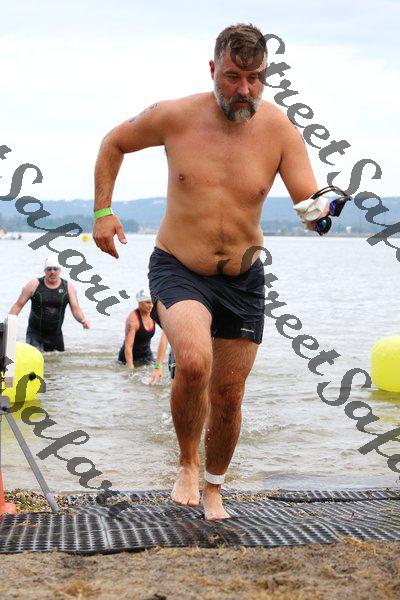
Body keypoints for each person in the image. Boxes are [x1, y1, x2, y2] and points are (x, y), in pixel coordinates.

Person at [93, 24, 328, 519]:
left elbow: (308, 201)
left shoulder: (280, 130)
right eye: (233, 77)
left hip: (243, 277)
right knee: (195, 362)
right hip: (179, 266)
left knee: (229, 394)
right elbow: (114, 142)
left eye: (255, 78)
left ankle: (215, 486)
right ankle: (186, 462)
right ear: (212, 70)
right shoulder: (174, 116)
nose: (244, 90)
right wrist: (102, 212)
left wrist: (320, 214)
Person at [10, 257, 90, 351]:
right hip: (35, 335)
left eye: (55, 269)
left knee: (57, 359)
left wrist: (83, 321)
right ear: (45, 270)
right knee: (35, 359)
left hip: (56, 336)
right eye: (49, 269)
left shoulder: (68, 287)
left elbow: (75, 309)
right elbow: (18, 305)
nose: (52, 272)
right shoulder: (34, 285)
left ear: (60, 270)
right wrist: (9, 323)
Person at [118, 287, 169, 383]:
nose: (151, 306)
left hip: (146, 355)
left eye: (152, 302)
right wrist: (130, 368)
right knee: (134, 379)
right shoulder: (132, 320)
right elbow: (128, 347)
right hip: (129, 357)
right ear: (139, 302)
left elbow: (166, 331)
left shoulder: (153, 315)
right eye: (147, 302)